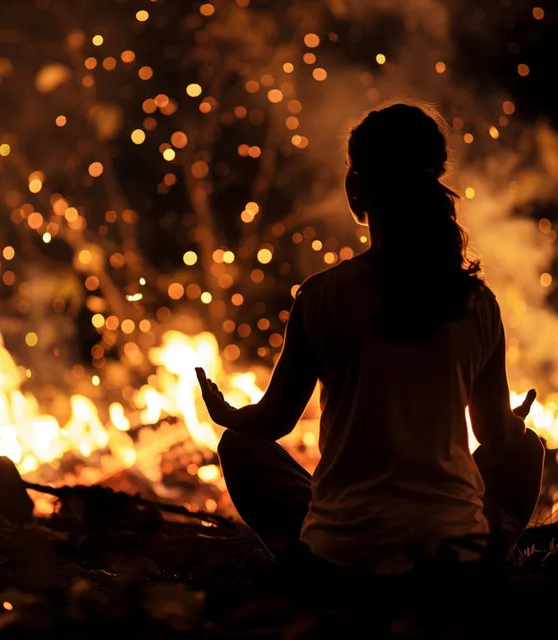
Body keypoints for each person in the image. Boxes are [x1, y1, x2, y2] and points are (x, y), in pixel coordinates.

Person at [195, 103, 545, 575]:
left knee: (238, 447)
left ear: (355, 190)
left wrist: (227, 415)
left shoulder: (321, 296)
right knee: (526, 450)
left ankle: (308, 571)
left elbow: (273, 421)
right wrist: (515, 423)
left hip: (341, 556)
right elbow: (494, 436)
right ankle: (485, 564)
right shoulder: (477, 303)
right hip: (451, 555)